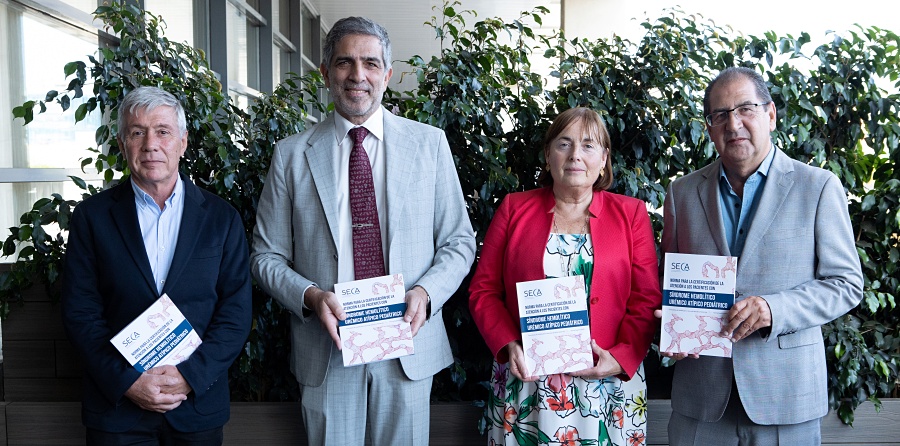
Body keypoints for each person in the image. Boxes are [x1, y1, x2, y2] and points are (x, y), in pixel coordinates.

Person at [250, 16, 475, 445]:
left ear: (387, 74)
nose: (358, 76)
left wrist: (425, 296)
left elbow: (459, 241)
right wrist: (312, 297)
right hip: (328, 349)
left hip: (406, 345)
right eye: (344, 63)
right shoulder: (292, 155)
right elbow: (265, 257)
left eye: (371, 63)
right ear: (325, 72)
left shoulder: (429, 144)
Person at [659, 67, 864, 445]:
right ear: (709, 128)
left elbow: (846, 284)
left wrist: (774, 309)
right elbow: (666, 281)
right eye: (719, 115)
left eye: (745, 109)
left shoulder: (817, 187)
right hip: (701, 396)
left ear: (770, 115)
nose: (733, 123)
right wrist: (671, 322)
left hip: (786, 395)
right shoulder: (682, 193)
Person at [62, 86, 252, 445]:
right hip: (117, 410)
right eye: (137, 132)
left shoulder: (222, 219)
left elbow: (235, 313)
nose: (151, 144)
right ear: (122, 144)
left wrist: (188, 377)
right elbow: (81, 312)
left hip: (196, 406)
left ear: (182, 141)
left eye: (163, 132)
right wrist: (128, 381)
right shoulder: (92, 218)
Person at [469, 107, 661, 446]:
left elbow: (646, 299)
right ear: (548, 154)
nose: (575, 155)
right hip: (527, 380)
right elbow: (483, 291)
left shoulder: (631, 215)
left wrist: (620, 358)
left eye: (588, 145)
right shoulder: (514, 208)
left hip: (608, 383)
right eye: (564, 144)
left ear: (604, 159)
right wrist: (508, 343)